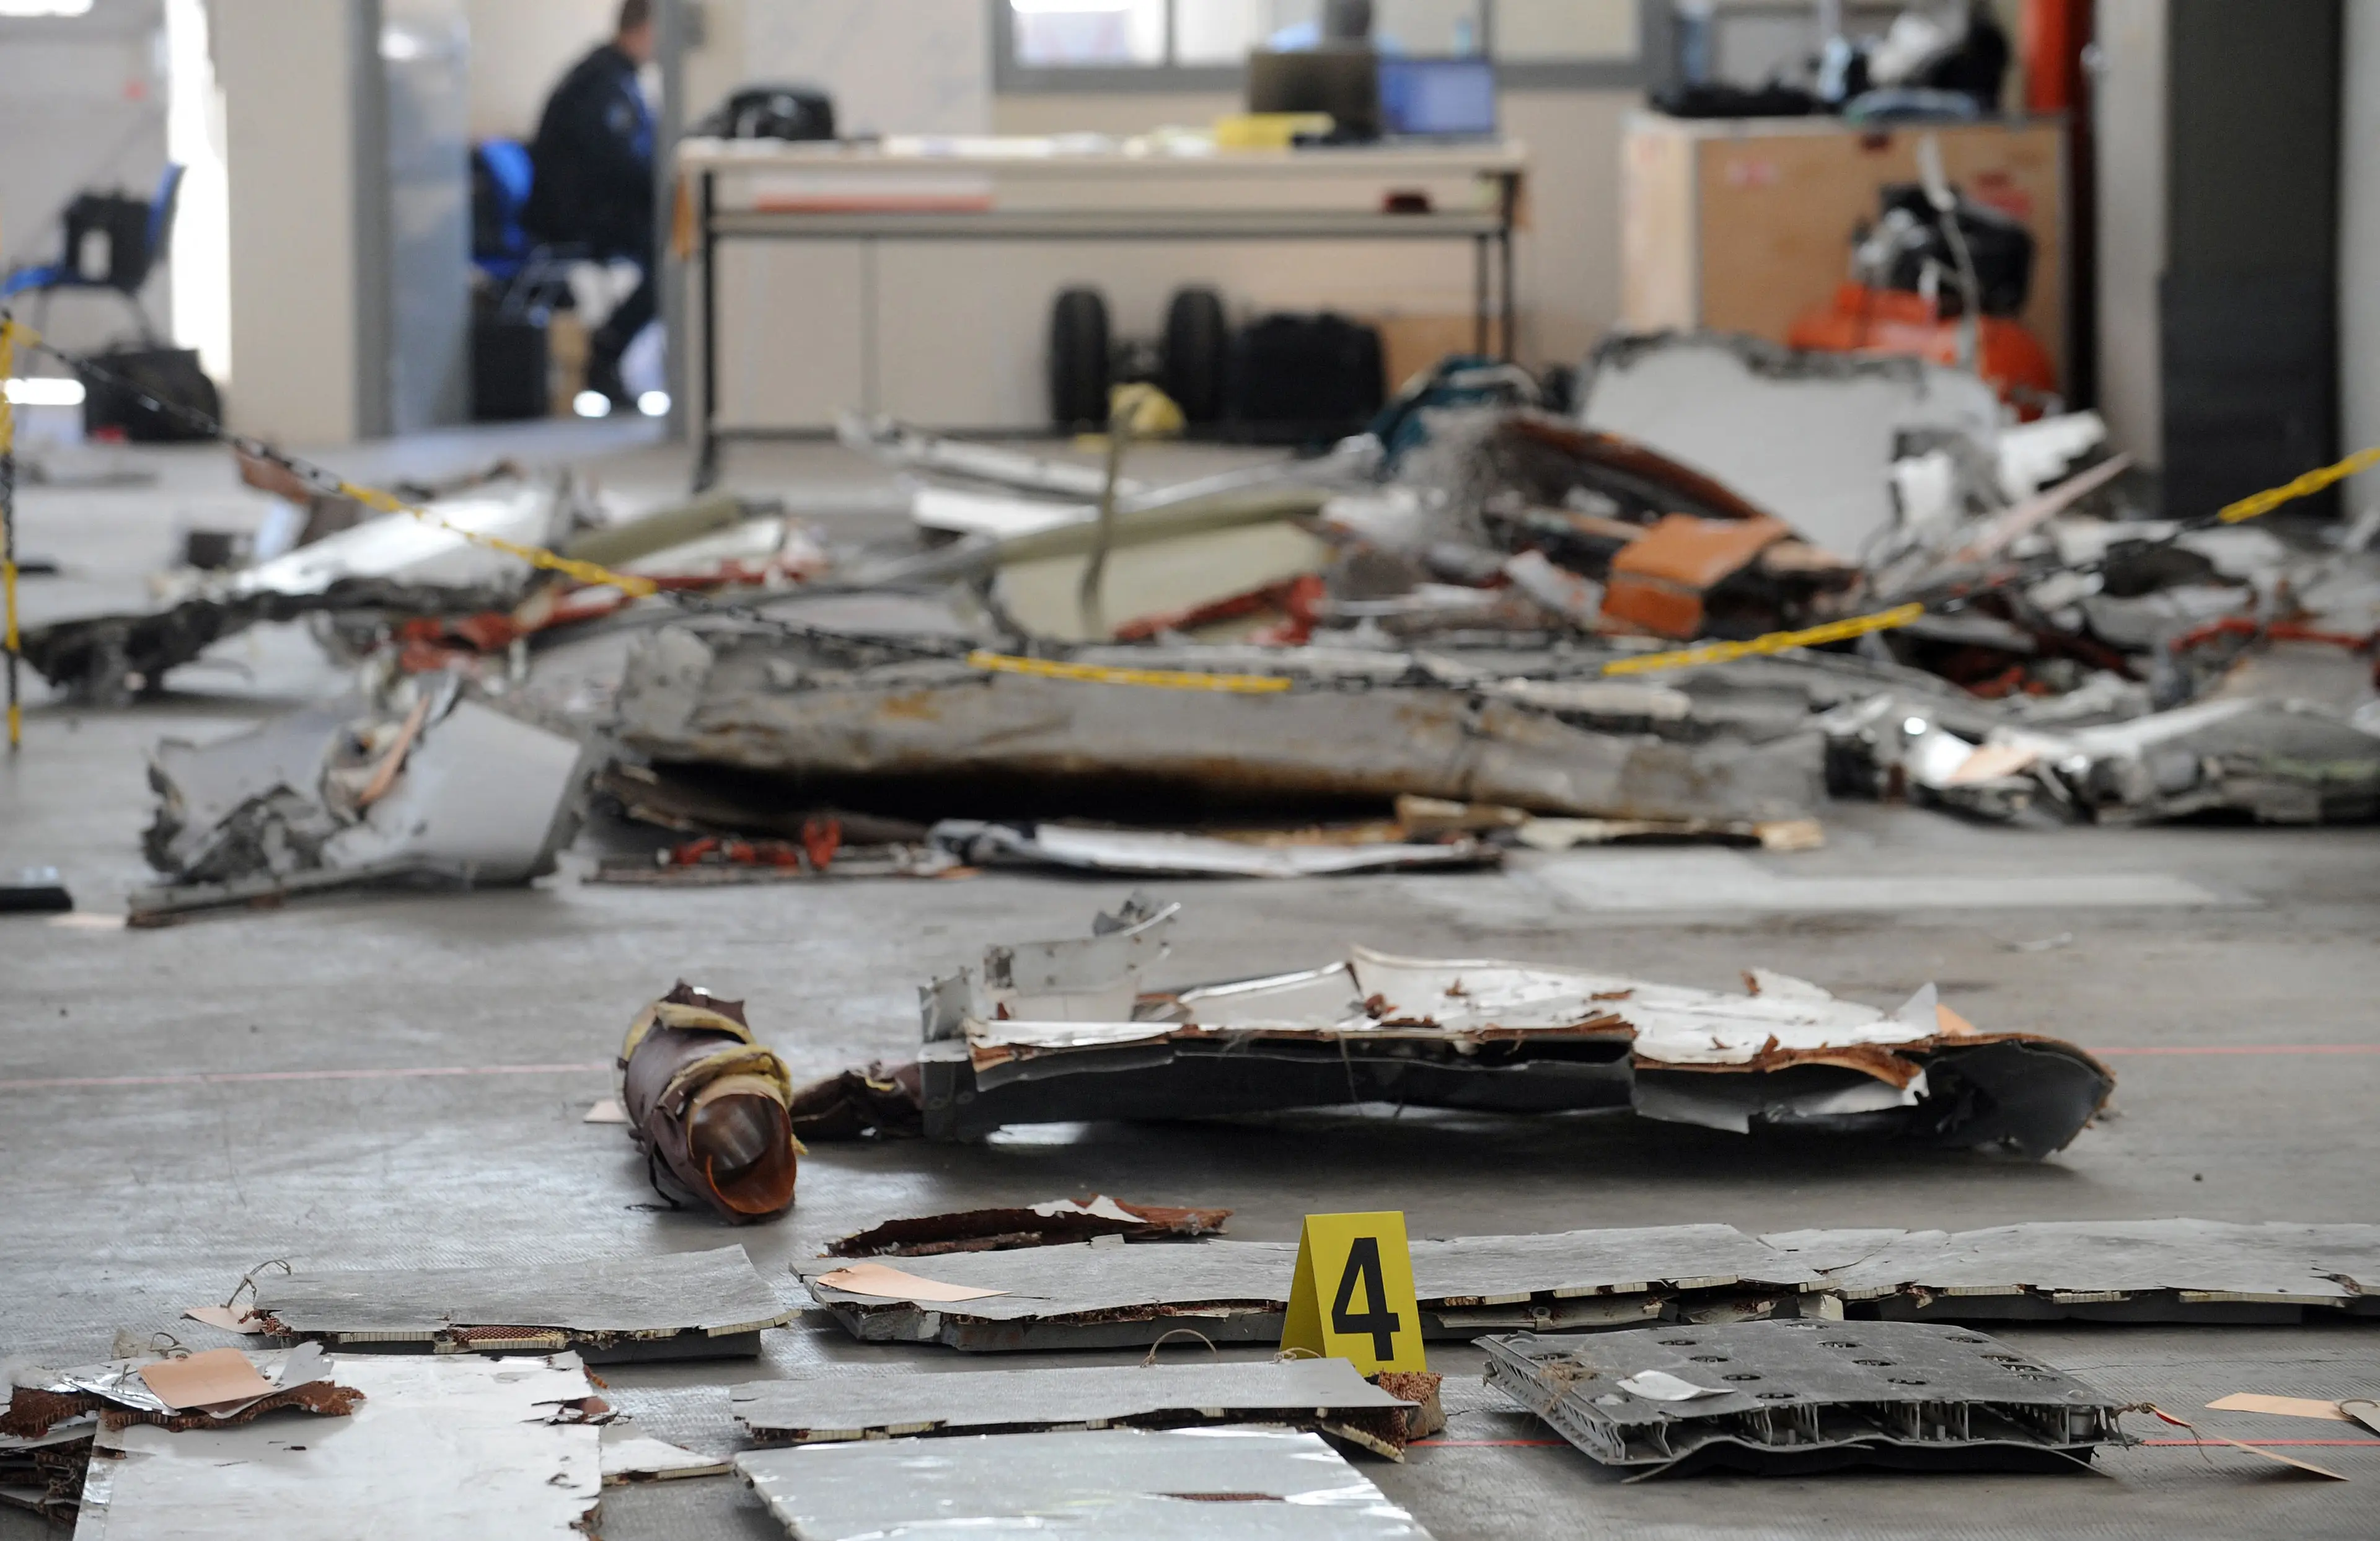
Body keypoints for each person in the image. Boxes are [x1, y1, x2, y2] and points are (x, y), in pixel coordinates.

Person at [526, 0, 657, 407]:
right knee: (673, 258)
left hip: (594, 207)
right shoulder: (602, 83)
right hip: (577, 216)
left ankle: (610, 350)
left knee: (671, 244)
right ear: (646, 28)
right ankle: (606, 350)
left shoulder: (615, 76)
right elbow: (617, 162)